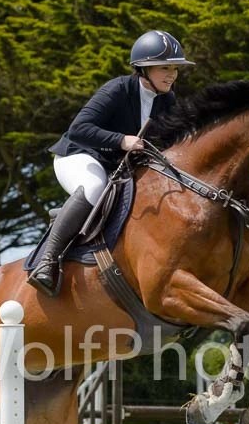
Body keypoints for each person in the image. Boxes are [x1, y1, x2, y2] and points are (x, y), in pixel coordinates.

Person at [28, 30, 194, 296]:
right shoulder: (117, 89)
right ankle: (47, 262)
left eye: (175, 68)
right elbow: (78, 129)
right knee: (94, 187)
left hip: (114, 164)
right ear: (143, 69)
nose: (172, 74)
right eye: (165, 67)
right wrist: (121, 140)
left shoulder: (168, 100)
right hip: (78, 155)